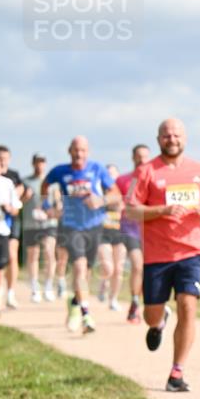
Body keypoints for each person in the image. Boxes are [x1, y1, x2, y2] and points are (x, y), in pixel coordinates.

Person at [127, 118, 200, 392]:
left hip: (191, 250)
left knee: (188, 305)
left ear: (184, 138)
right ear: (158, 139)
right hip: (157, 255)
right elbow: (131, 210)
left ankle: (176, 372)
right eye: (166, 135)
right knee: (151, 316)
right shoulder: (147, 171)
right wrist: (162, 210)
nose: (172, 139)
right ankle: (159, 322)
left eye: (176, 135)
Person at [42, 136, 120, 334]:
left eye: (83, 150)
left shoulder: (97, 169)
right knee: (79, 266)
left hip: (94, 225)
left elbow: (116, 194)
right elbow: (44, 185)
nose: (79, 154)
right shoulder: (60, 171)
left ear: (88, 152)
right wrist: (47, 207)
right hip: (71, 225)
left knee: (90, 271)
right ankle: (86, 314)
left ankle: (75, 302)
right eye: (76, 150)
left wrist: (101, 200)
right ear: (69, 151)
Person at [115, 144, 149, 323]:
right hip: (130, 230)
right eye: (139, 156)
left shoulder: (154, 179)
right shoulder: (123, 180)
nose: (142, 160)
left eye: (145, 156)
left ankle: (149, 303)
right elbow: (114, 200)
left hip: (151, 232)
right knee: (137, 265)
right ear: (133, 157)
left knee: (149, 270)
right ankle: (135, 302)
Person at [21, 153, 61, 302]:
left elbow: (58, 204)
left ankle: (48, 286)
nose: (40, 165)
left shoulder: (53, 183)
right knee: (33, 255)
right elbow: (18, 202)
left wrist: (54, 211)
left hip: (48, 224)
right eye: (37, 162)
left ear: (45, 164)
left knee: (50, 252)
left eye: (42, 162)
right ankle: (34, 288)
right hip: (31, 223)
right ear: (33, 164)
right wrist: (25, 197)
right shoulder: (25, 182)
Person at [0, 145, 25, 309]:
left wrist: (9, 207)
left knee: (3, 264)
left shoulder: (10, 180)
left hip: (5, 227)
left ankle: (6, 293)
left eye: (6, 158)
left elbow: (17, 204)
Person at [96, 163, 125, 310]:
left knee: (118, 269)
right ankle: (103, 282)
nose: (111, 176)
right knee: (108, 267)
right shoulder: (98, 192)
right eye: (108, 174)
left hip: (120, 233)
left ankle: (113, 299)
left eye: (113, 173)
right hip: (103, 233)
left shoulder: (123, 191)